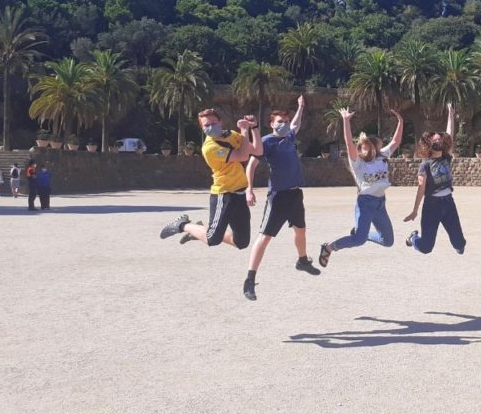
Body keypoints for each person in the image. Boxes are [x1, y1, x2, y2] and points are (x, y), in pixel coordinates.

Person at [241, 96, 320, 301]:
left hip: (295, 194)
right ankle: (250, 279)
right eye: (279, 122)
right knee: (265, 238)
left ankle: (302, 261)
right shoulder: (266, 142)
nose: (284, 124)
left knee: (300, 230)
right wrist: (249, 189)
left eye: (285, 121)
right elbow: (251, 165)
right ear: (271, 124)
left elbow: (296, 124)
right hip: (278, 197)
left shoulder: (289, 136)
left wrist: (301, 106)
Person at [159, 108, 263, 256]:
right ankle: (182, 225)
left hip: (240, 193)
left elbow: (257, 151)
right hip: (224, 194)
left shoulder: (231, 135)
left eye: (213, 123)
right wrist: (244, 131)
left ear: (220, 122)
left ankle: (199, 231)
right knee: (212, 239)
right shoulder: (209, 148)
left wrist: (254, 128)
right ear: (202, 128)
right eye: (206, 125)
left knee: (242, 242)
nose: (211, 127)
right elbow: (242, 156)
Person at [319, 107, 403, 268]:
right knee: (359, 240)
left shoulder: (382, 156)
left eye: (368, 145)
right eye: (362, 147)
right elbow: (348, 143)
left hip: (380, 204)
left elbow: (396, 142)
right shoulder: (358, 163)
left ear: (375, 147)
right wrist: (346, 121)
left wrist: (400, 121)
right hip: (365, 204)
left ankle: (363, 234)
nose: (366, 148)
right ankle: (329, 247)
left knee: (388, 241)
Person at [403, 103, 466, 255]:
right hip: (431, 206)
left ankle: (458, 244)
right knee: (426, 248)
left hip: (448, 203)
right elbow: (421, 189)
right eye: (435, 140)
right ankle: (413, 238)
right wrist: (415, 210)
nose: (438, 141)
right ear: (429, 144)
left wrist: (451, 114)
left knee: (460, 246)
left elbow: (450, 134)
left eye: (440, 140)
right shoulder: (425, 165)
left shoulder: (446, 157)